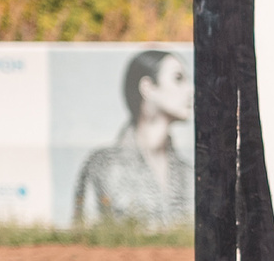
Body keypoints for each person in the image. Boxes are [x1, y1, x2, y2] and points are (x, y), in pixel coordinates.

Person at [74, 49, 194, 228]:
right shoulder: (103, 166)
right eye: (178, 79)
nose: (191, 90)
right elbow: (85, 234)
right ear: (148, 87)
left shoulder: (189, 174)